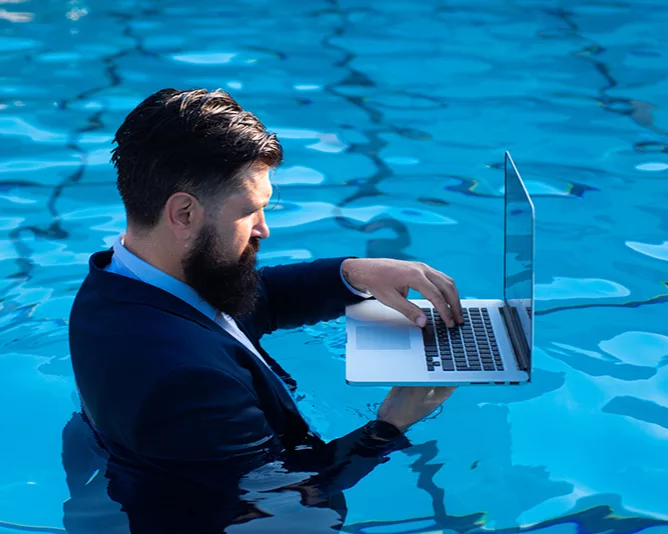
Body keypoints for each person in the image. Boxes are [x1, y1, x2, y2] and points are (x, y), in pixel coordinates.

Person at [67, 88, 465, 533]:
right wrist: (393, 423)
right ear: (183, 213)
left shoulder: (120, 281)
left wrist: (355, 273)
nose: (264, 229)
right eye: (249, 212)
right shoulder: (181, 378)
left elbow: (255, 301)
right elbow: (284, 499)